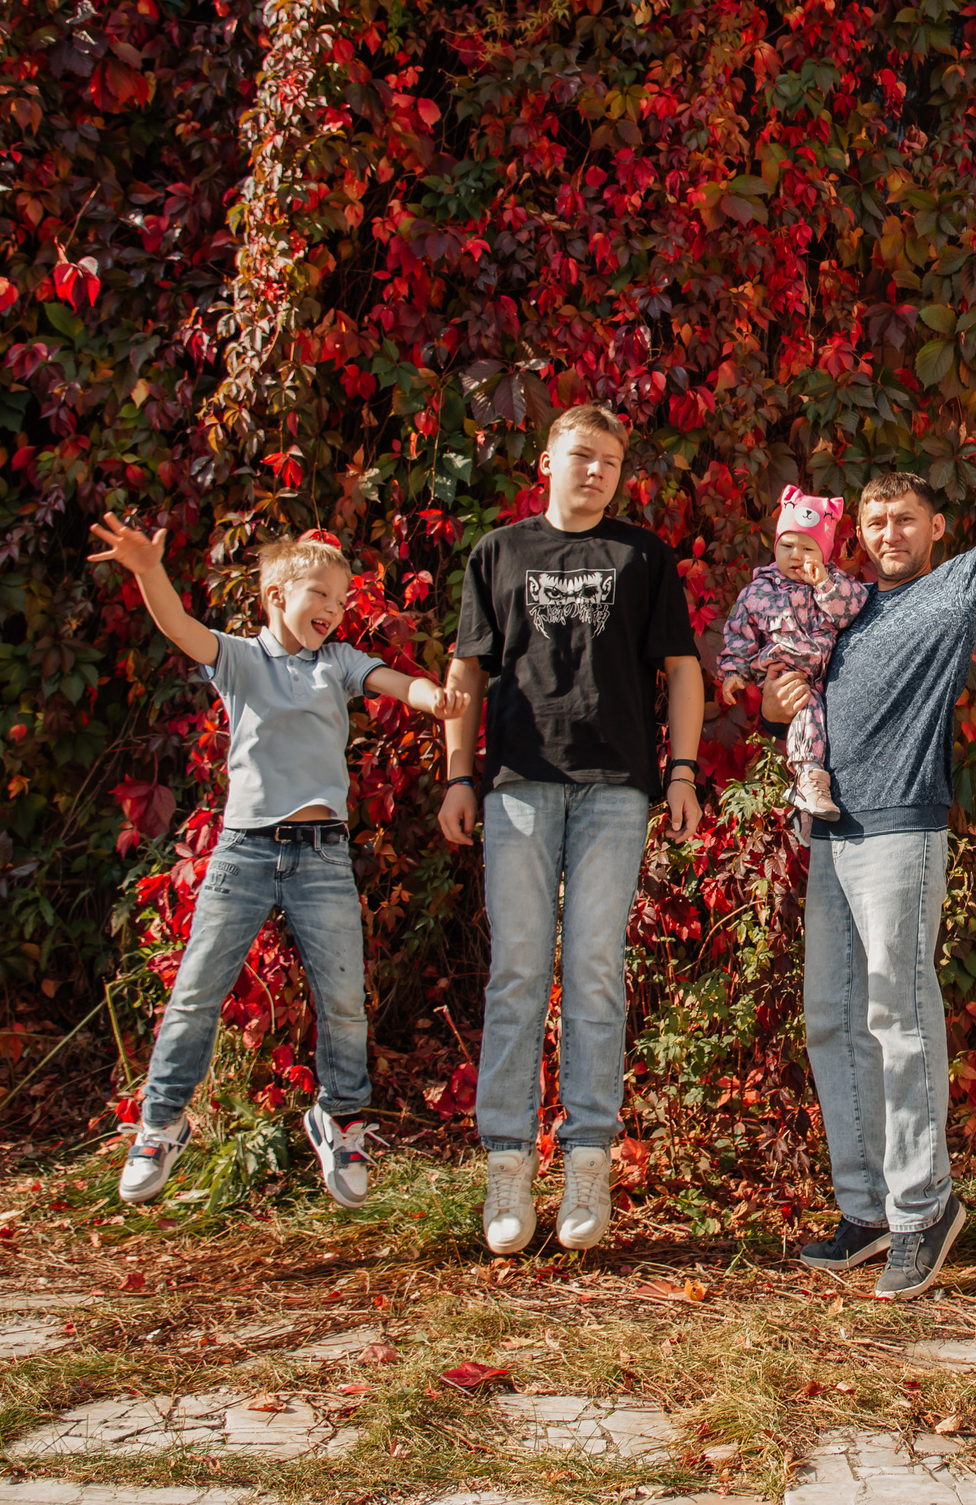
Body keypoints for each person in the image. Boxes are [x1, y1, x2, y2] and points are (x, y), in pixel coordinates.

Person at [761, 344, 976, 1300]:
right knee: (832, 1018)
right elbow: (789, 691)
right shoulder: (840, 610)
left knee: (899, 1017)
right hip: (830, 831)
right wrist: (784, 692)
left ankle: (923, 1205)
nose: (887, 529)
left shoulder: (950, 593)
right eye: (874, 518)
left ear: (936, 529)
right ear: (854, 530)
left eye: (905, 517)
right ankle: (865, 1208)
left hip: (901, 829)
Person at [89, 522, 468, 1210]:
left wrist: (432, 699)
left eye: (342, 599)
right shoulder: (237, 659)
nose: (333, 607)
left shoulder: (340, 662)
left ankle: (341, 1120)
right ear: (274, 597)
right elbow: (177, 625)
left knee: (346, 1001)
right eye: (318, 593)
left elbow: (394, 681)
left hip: (321, 855)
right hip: (245, 850)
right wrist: (147, 568)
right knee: (197, 990)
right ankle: (160, 1122)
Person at [437, 404, 705, 1258]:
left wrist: (683, 772)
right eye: (583, 456)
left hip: (616, 790)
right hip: (517, 787)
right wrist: (457, 773)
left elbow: (683, 670)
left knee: (594, 970)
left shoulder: (643, 556)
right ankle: (509, 1162)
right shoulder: (499, 551)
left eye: (612, 461)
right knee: (517, 970)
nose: (597, 471)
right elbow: (467, 671)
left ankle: (589, 1157)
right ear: (547, 458)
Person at [716, 487, 870, 818]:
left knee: (820, 714)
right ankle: (809, 777)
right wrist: (733, 672)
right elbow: (741, 631)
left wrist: (824, 583)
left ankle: (811, 780)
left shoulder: (832, 583)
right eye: (786, 546)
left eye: (807, 548)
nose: (796, 555)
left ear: (825, 553)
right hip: (785, 670)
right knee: (807, 709)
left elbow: (851, 610)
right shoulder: (759, 589)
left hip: (824, 675)